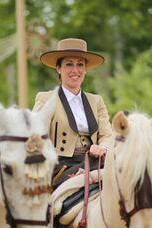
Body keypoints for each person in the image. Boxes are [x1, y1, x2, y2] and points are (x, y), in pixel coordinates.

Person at [33, 38, 113, 189]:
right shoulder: (46, 99)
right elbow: (35, 137)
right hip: (61, 167)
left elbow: (107, 135)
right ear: (58, 68)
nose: (75, 70)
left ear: (85, 69)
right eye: (69, 64)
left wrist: (103, 147)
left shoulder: (96, 101)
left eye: (80, 65)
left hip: (95, 162)